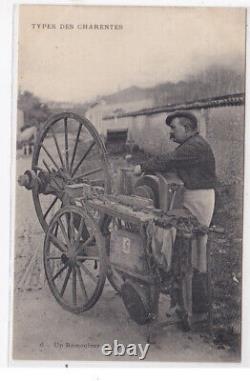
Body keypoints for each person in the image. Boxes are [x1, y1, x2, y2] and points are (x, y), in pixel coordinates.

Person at [134, 111, 216, 321]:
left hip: (198, 199)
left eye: (174, 127)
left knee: (192, 251)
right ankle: (183, 305)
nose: (171, 131)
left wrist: (142, 167)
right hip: (191, 195)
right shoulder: (192, 144)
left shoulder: (194, 146)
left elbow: (169, 160)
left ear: (187, 129)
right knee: (184, 249)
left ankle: (195, 309)